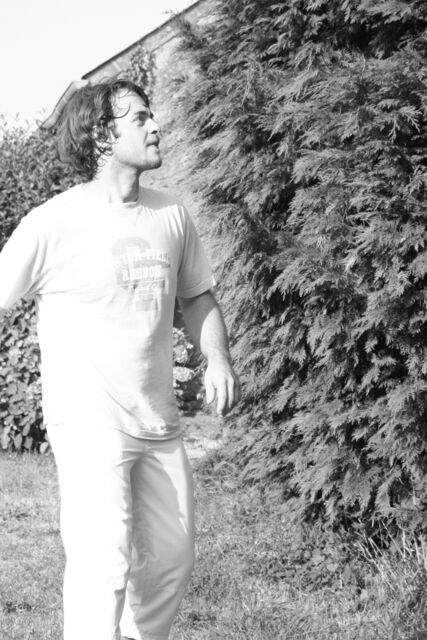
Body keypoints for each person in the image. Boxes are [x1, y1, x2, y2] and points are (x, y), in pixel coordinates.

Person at [0, 78, 240, 640]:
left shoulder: (171, 214)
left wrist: (218, 358)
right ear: (102, 138)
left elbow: (197, 297)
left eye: (151, 116)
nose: (156, 126)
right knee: (102, 561)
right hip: (88, 418)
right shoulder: (52, 222)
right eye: (140, 118)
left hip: (157, 418)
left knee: (173, 558)